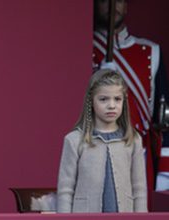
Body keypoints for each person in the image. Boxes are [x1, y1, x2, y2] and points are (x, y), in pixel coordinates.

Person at [92, 0, 169, 193]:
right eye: (104, 0)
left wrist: (165, 171)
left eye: (119, 0)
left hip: (138, 157)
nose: (112, 6)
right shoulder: (84, 48)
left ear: (126, 6)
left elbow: (164, 115)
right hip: (93, 152)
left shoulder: (151, 51)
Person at [57, 69, 147, 213]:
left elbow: (139, 189)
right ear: (91, 101)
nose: (111, 105)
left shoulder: (133, 140)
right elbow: (65, 190)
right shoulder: (74, 140)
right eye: (103, 99)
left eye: (117, 99)